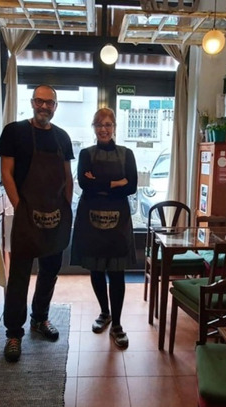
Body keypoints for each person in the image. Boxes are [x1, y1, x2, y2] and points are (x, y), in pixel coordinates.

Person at [0, 85, 74, 362]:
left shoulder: (62, 137)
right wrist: (20, 206)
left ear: (55, 106)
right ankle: (14, 333)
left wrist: (66, 207)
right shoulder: (14, 132)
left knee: (50, 269)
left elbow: (68, 176)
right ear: (32, 102)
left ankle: (40, 319)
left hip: (55, 214)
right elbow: (6, 173)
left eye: (49, 102)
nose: (44, 106)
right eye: (40, 101)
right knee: (18, 275)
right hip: (27, 215)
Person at [71, 108, 137, 349]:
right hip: (91, 219)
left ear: (115, 127)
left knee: (117, 273)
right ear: (94, 127)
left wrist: (99, 183)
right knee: (96, 269)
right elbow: (83, 183)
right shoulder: (86, 155)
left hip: (119, 221)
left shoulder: (127, 154)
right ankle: (104, 312)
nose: (104, 128)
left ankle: (117, 324)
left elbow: (131, 187)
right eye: (99, 124)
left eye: (108, 124)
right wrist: (115, 183)